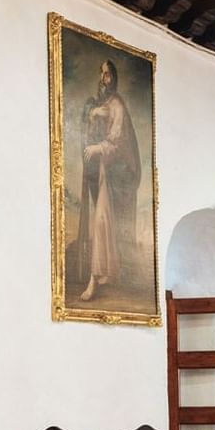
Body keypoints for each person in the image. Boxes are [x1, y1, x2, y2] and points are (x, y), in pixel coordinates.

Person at [75, 58, 141, 301]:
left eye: (107, 75)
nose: (103, 79)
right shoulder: (100, 105)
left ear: (114, 78)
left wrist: (96, 148)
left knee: (103, 220)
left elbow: (118, 142)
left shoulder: (117, 105)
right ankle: (102, 274)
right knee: (101, 221)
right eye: (101, 74)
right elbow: (88, 122)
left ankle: (96, 277)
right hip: (103, 171)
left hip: (113, 173)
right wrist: (93, 114)